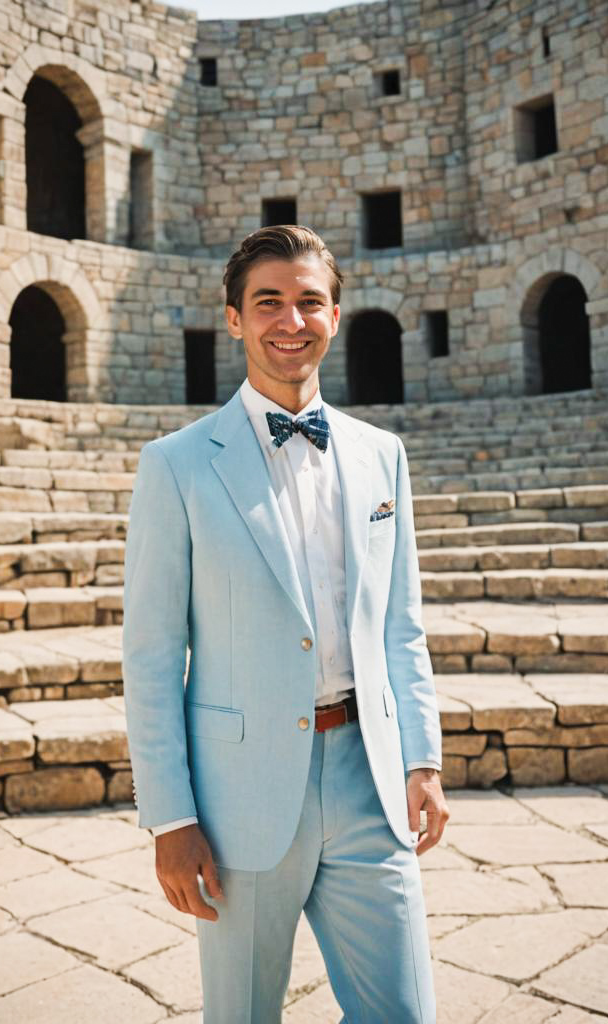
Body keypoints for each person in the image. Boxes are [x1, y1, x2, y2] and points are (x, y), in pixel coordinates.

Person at [122, 224, 448, 1023]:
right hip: (240, 798)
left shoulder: (383, 456)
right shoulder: (177, 465)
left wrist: (423, 759)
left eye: (310, 302)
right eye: (268, 302)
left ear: (335, 316)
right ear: (234, 319)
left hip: (369, 780)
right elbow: (153, 655)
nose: (290, 321)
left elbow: (400, 625)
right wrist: (172, 817)